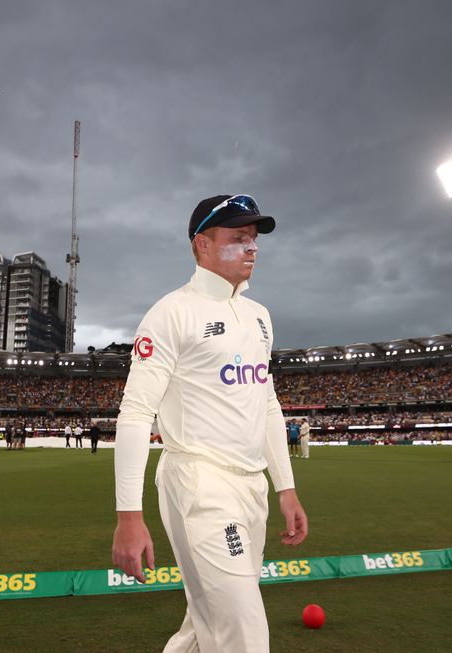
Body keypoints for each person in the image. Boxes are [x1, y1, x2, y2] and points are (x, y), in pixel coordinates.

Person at [112, 194, 307, 652]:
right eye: (238, 238)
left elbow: (268, 404)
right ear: (202, 244)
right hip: (198, 481)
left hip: (251, 486)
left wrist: (286, 487)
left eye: (254, 239)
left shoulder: (259, 316)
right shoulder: (171, 313)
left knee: (206, 624)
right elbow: (137, 412)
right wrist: (128, 516)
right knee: (244, 633)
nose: (252, 248)